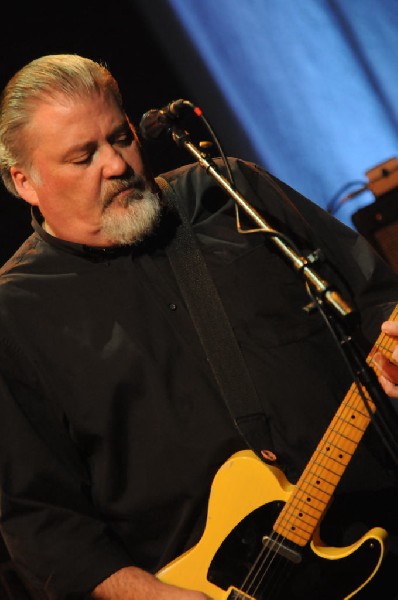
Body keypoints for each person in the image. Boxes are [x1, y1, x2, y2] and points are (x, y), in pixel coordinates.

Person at [0, 54, 398, 600]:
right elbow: (42, 523)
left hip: (379, 533)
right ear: (25, 181)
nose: (115, 164)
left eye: (121, 137)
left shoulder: (229, 194)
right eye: (82, 157)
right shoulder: (15, 315)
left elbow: (375, 297)